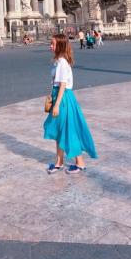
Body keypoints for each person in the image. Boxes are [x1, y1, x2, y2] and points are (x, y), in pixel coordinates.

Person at [43, 33, 97, 174]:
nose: (50, 46)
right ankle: (60, 162)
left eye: (53, 43)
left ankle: (79, 163)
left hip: (63, 98)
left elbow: (62, 84)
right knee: (60, 130)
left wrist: (56, 104)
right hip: (61, 97)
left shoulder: (61, 62)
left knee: (67, 130)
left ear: (59, 45)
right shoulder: (60, 61)